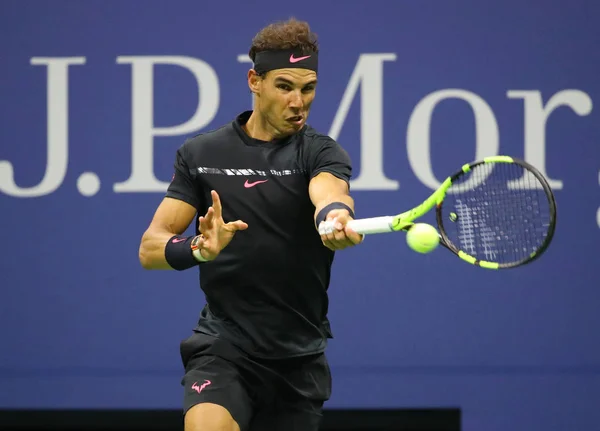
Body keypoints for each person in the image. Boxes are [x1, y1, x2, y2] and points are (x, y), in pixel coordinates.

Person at [138, 17, 363, 431]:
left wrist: (334, 217)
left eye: (308, 88)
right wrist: (198, 248)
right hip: (224, 346)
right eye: (284, 86)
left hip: (297, 360)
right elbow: (150, 249)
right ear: (254, 81)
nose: (299, 102)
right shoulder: (200, 153)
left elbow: (330, 193)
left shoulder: (321, 152)